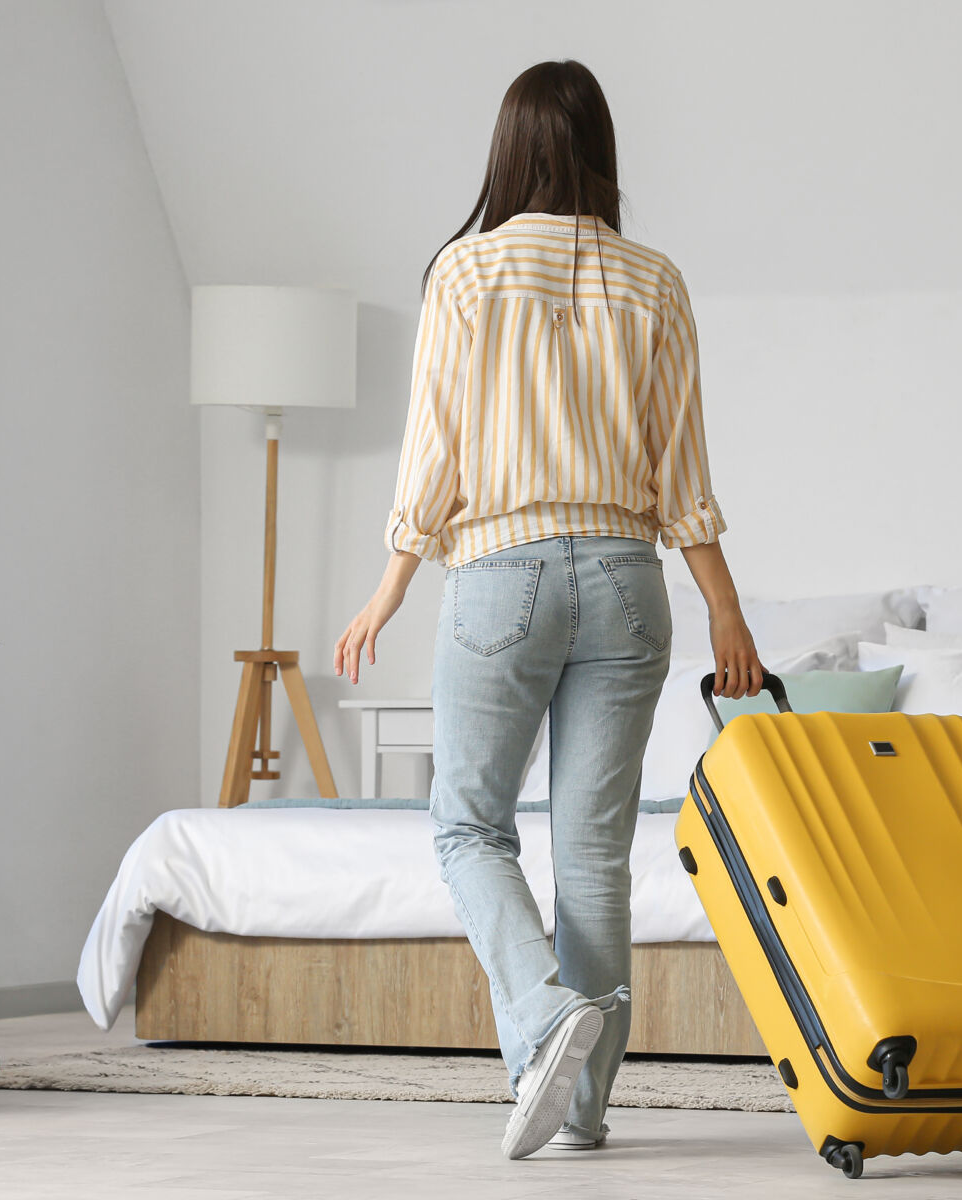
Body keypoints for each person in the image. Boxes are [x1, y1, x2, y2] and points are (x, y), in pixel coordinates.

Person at [334, 59, 762, 1160]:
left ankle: (538, 1016)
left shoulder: (465, 275)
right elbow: (684, 473)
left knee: (468, 824)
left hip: (502, 575)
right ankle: (581, 1109)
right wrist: (728, 615)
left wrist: (389, 583)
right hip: (629, 580)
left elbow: (433, 451)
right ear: (601, 151)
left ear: (510, 148)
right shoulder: (656, 281)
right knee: (595, 856)